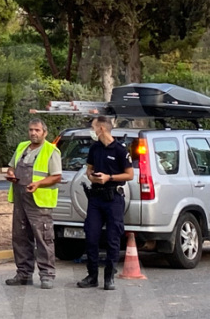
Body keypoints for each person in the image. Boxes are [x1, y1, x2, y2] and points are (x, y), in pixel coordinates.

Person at [77, 115, 134, 291]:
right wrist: (91, 176)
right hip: (95, 198)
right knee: (91, 236)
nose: (92, 131)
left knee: (112, 238)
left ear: (101, 128)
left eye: (93, 127)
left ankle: (109, 277)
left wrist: (109, 177)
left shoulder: (120, 150)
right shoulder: (95, 148)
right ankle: (92, 275)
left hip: (113, 198)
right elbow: (89, 169)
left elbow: (129, 175)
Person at [5, 118, 62, 289]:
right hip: (20, 199)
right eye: (31, 130)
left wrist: (38, 184)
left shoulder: (51, 151)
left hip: (39, 202)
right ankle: (23, 274)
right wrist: (11, 173)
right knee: (20, 237)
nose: (33, 133)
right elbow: (12, 167)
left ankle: (47, 275)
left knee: (43, 239)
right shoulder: (22, 147)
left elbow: (56, 176)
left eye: (37, 130)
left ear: (45, 132)